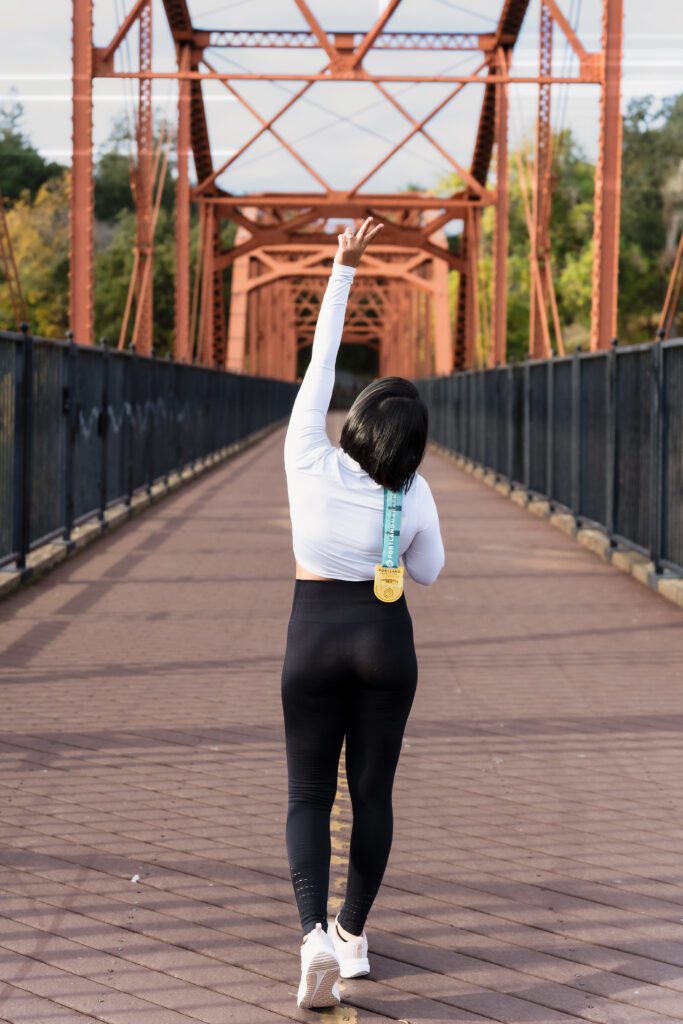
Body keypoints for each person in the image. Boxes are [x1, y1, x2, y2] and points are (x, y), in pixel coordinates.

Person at [281, 216, 446, 1009]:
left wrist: (342, 268)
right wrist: (396, 542)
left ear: (355, 423)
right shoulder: (411, 493)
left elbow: (320, 364)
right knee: (371, 794)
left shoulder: (307, 457)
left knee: (309, 794)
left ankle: (310, 933)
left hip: (311, 634)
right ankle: (351, 938)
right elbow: (433, 571)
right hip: (385, 640)